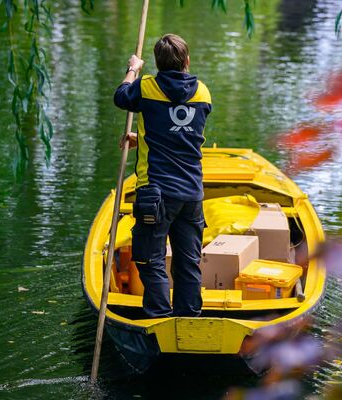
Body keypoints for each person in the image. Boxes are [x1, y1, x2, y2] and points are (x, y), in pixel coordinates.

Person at [114, 34, 211, 318]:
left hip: (156, 193)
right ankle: (188, 317)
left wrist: (133, 68)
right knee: (188, 261)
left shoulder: (146, 87)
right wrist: (141, 138)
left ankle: (158, 318)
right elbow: (182, 134)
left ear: (156, 62)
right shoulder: (203, 93)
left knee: (149, 258)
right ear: (187, 61)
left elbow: (121, 97)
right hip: (191, 193)